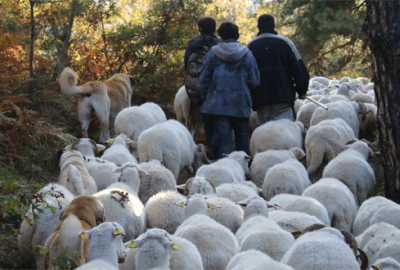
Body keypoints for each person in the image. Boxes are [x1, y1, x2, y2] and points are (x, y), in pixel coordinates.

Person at [199, 21, 260, 159]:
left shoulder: (212, 53)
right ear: (237, 35)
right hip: (241, 104)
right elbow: (255, 80)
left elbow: (203, 80)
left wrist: (205, 98)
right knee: (243, 141)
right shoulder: (247, 54)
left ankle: (226, 175)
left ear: (220, 36)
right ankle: (245, 176)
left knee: (225, 142)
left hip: (218, 105)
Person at [247, 14, 310, 126]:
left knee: (266, 135)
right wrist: (302, 90)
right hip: (283, 98)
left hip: (261, 100)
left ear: (258, 27)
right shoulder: (285, 43)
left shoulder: (250, 46)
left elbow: (245, 74)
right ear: (274, 26)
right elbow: (299, 69)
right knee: (283, 132)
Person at [184, 16, 220, 159]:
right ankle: (215, 151)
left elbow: (187, 66)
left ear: (199, 29)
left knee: (205, 120)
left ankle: (207, 150)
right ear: (215, 29)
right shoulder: (219, 44)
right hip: (216, 89)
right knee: (220, 121)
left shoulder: (192, 44)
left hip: (197, 89)